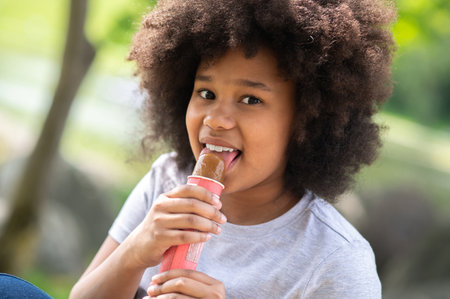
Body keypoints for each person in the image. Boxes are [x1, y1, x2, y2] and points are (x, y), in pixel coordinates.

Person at [70, 0, 396, 298]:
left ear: (306, 121)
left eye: (251, 99)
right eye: (206, 93)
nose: (217, 119)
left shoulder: (335, 261)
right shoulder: (166, 181)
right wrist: (135, 251)